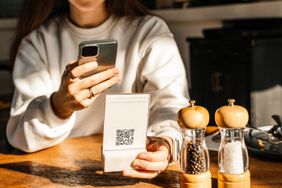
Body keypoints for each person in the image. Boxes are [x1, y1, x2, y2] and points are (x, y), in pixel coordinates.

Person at [7, 0, 189, 179]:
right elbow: (21, 137)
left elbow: (171, 105)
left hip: (132, 167)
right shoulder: (37, 42)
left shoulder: (149, 31)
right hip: (57, 174)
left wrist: (166, 143)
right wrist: (58, 107)